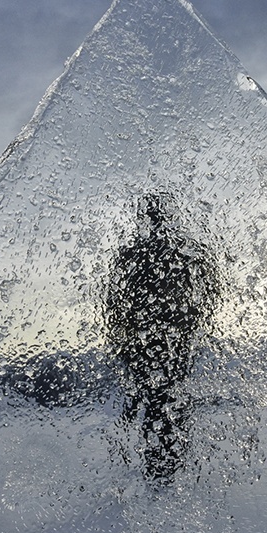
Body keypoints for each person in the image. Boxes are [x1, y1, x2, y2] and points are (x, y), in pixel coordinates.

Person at [104, 192, 218, 482]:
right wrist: (195, 320)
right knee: (166, 399)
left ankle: (161, 465)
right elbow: (211, 285)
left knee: (156, 400)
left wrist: (123, 343)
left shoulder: (132, 254)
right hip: (170, 341)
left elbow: (115, 304)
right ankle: (167, 464)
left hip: (148, 343)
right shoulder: (186, 250)